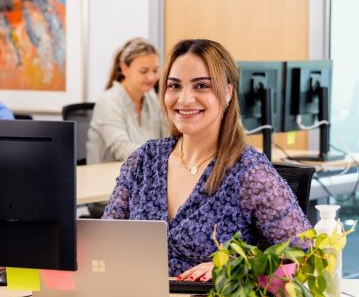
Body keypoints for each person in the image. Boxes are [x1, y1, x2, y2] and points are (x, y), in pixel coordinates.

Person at [102, 39, 310, 282]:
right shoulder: (143, 161)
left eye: (201, 86)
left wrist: (237, 266)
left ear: (228, 91)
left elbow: (306, 256)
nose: (184, 99)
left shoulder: (249, 172)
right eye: (174, 86)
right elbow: (106, 244)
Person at [87, 38, 167, 164]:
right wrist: (162, 156)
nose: (152, 77)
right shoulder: (108, 101)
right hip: (108, 177)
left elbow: (167, 139)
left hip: (143, 175)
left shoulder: (152, 98)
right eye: (144, 71)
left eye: (155, 70)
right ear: (125, 69)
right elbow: (122, 150)